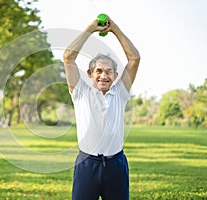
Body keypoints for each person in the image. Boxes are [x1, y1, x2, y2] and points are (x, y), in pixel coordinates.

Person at [63, 16, 140, 200]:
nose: (103, 76)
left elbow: (134, 58)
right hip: (87, 164)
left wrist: (115, 29)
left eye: (108, 71)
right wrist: (90, 28)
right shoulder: (80, 92)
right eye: (99, 70)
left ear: (115, 75)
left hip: (116, 165)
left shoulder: (120, 93)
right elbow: (68, 57)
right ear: (90, 74)